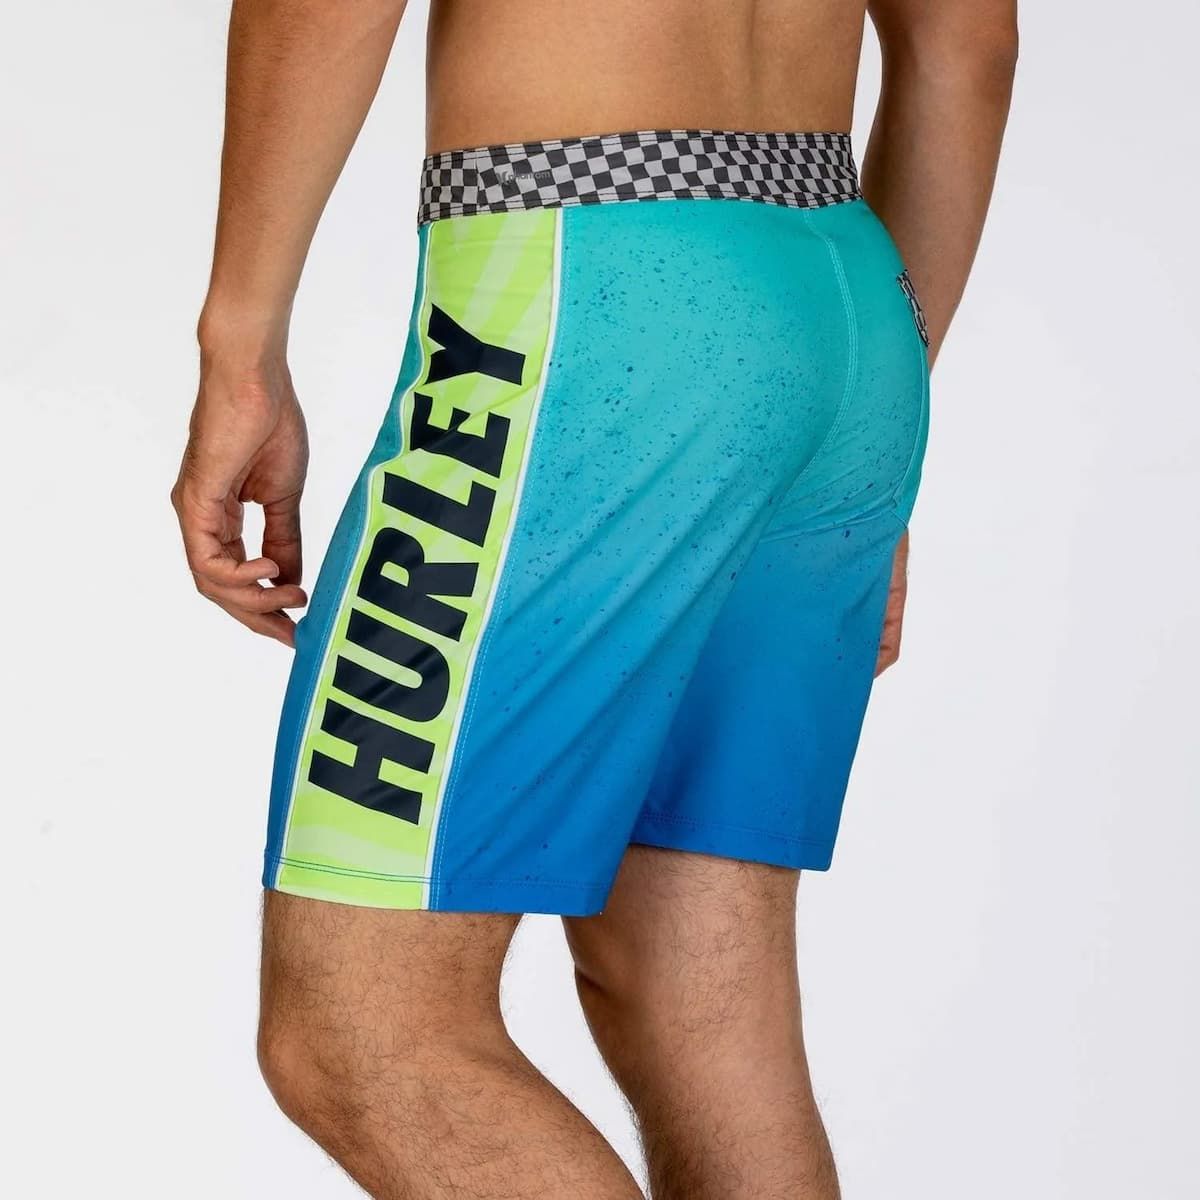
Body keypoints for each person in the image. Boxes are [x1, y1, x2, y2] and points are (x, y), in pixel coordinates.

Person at [171, 0, 1017, 1195]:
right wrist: (834, 426)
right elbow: (969, 41)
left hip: (593, 284)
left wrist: (240, 344)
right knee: (695, 1004)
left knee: (362, 1034)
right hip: (849, 302)